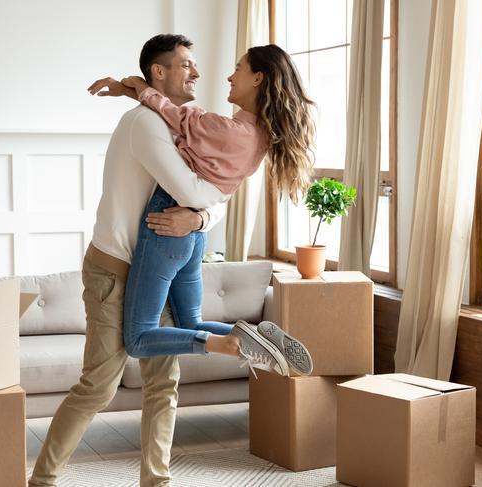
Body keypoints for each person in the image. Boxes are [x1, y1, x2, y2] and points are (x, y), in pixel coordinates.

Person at [28, 34, 291, 487]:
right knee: (99, 385)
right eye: (186, 64)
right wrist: (201, 211)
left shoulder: (184, 125)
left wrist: (201, 217)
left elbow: (213, 198)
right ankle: (44, 479)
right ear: (160, 73)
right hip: (116, 265)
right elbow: (191, 192)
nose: (198, 73)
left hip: (158, 261)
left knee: (163, 382)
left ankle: (157, 480)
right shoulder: (145, 125)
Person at [88, 43, 316, 376]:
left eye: (238, 68)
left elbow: (176, 119)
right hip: (193, 236)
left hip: (167, 224)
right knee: (191, 321)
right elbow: (216, 195)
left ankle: (224, 344)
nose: (228, 75)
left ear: (257, 78)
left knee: (138, 339)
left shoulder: (227, 130)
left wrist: (135, 87)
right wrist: (201, 220)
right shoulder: (259, 136)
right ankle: (256, 337)